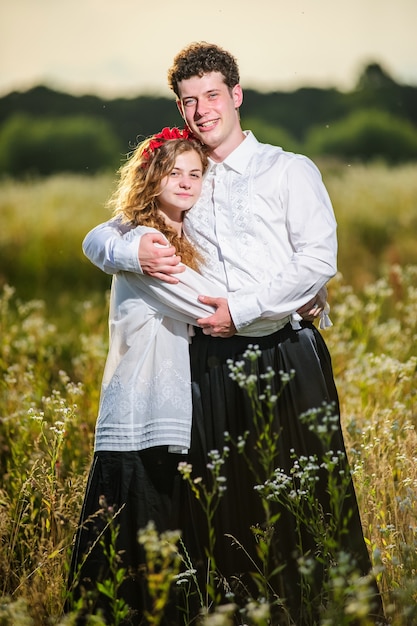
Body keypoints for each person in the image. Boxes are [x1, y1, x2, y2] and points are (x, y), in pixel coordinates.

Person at [82, 43, 385, 624]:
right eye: (188, 101)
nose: (201, 111)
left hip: (284, 352)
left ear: (237, 95)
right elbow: (103, 232)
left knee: (302, 503)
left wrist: (244, 309)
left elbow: (318, 260)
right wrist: (130, 250)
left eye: (212, 96)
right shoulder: (185, 174)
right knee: (224, 512)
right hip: (208, 363)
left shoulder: (288, 169)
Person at [67, 127, 235, 625]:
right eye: (173, 171)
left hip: (168, 412)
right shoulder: (146, 239)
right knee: (139, 549)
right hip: (143, 411)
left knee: (164, 548)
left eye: (195, 173)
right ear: (150, 177)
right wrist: (282, 306)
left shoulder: (185, 235)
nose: (185, 182)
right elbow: (202, 304)